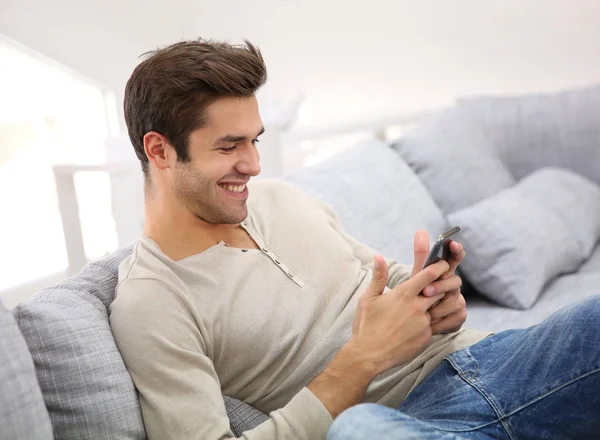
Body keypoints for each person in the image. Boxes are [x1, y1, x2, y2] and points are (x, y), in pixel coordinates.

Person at [109, 38, 600, 440]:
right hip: (399, 423)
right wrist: (363, 358)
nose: (254, 164)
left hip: (494, 361)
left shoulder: (283, 199)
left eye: (253, 140)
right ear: (160, 150)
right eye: (229, 145)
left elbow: (375, 278)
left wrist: (436, 300)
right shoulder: (151, 301)